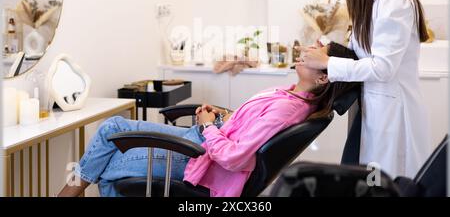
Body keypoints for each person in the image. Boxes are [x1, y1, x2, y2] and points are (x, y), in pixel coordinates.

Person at [57, 42, 358, 197]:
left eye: (318, 53)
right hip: (202, 142)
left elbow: (235, 157)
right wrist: (221, 117)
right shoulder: (291, 95)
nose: (308, 51)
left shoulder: (287, 109)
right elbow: (245, 127)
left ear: (323, 77)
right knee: (112, 130)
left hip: (200, 159)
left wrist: (206, 126)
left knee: (107, 164)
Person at [297, 0, 431, 179]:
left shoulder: (395, 0)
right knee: (370, 181)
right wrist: (328, 50)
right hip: (374, 107)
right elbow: (363, 53)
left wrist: (326, 63)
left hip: (392, 113)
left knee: (388, 184)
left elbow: (383, 67)